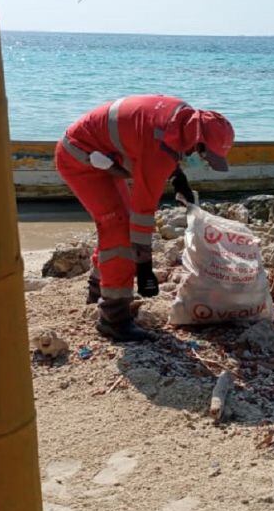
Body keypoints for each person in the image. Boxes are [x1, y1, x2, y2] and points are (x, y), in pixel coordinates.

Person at [55, 95, 234, 342]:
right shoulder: (159, 151)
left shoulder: (183, 118)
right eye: (203, 152)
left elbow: (156, 139)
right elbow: (143, 213)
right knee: (119, 229)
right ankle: (113, 319)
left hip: (103, 155)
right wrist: (144, 267)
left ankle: (97, 292)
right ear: (197, 139)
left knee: (118, 228)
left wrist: (177, 175)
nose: (201, 158)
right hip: (79, 159)